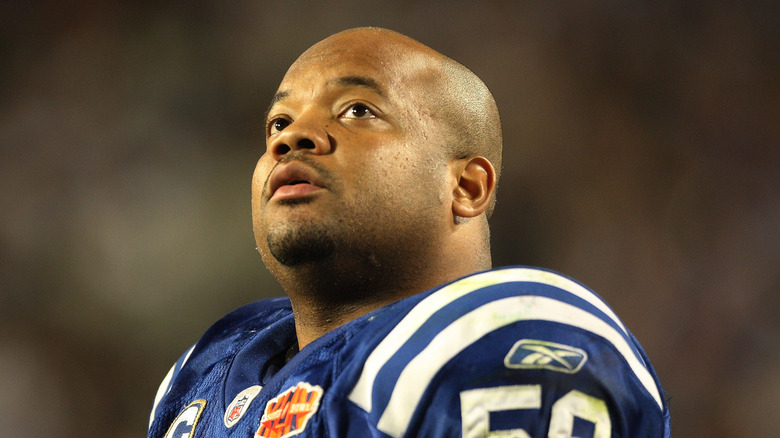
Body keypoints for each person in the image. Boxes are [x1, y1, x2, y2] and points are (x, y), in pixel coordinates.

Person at [147, 27, 671, 438]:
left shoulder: (507, 339)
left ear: (466, 186)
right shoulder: (204, 372)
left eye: (357, 111)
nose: (293, 138)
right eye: (278, 124)